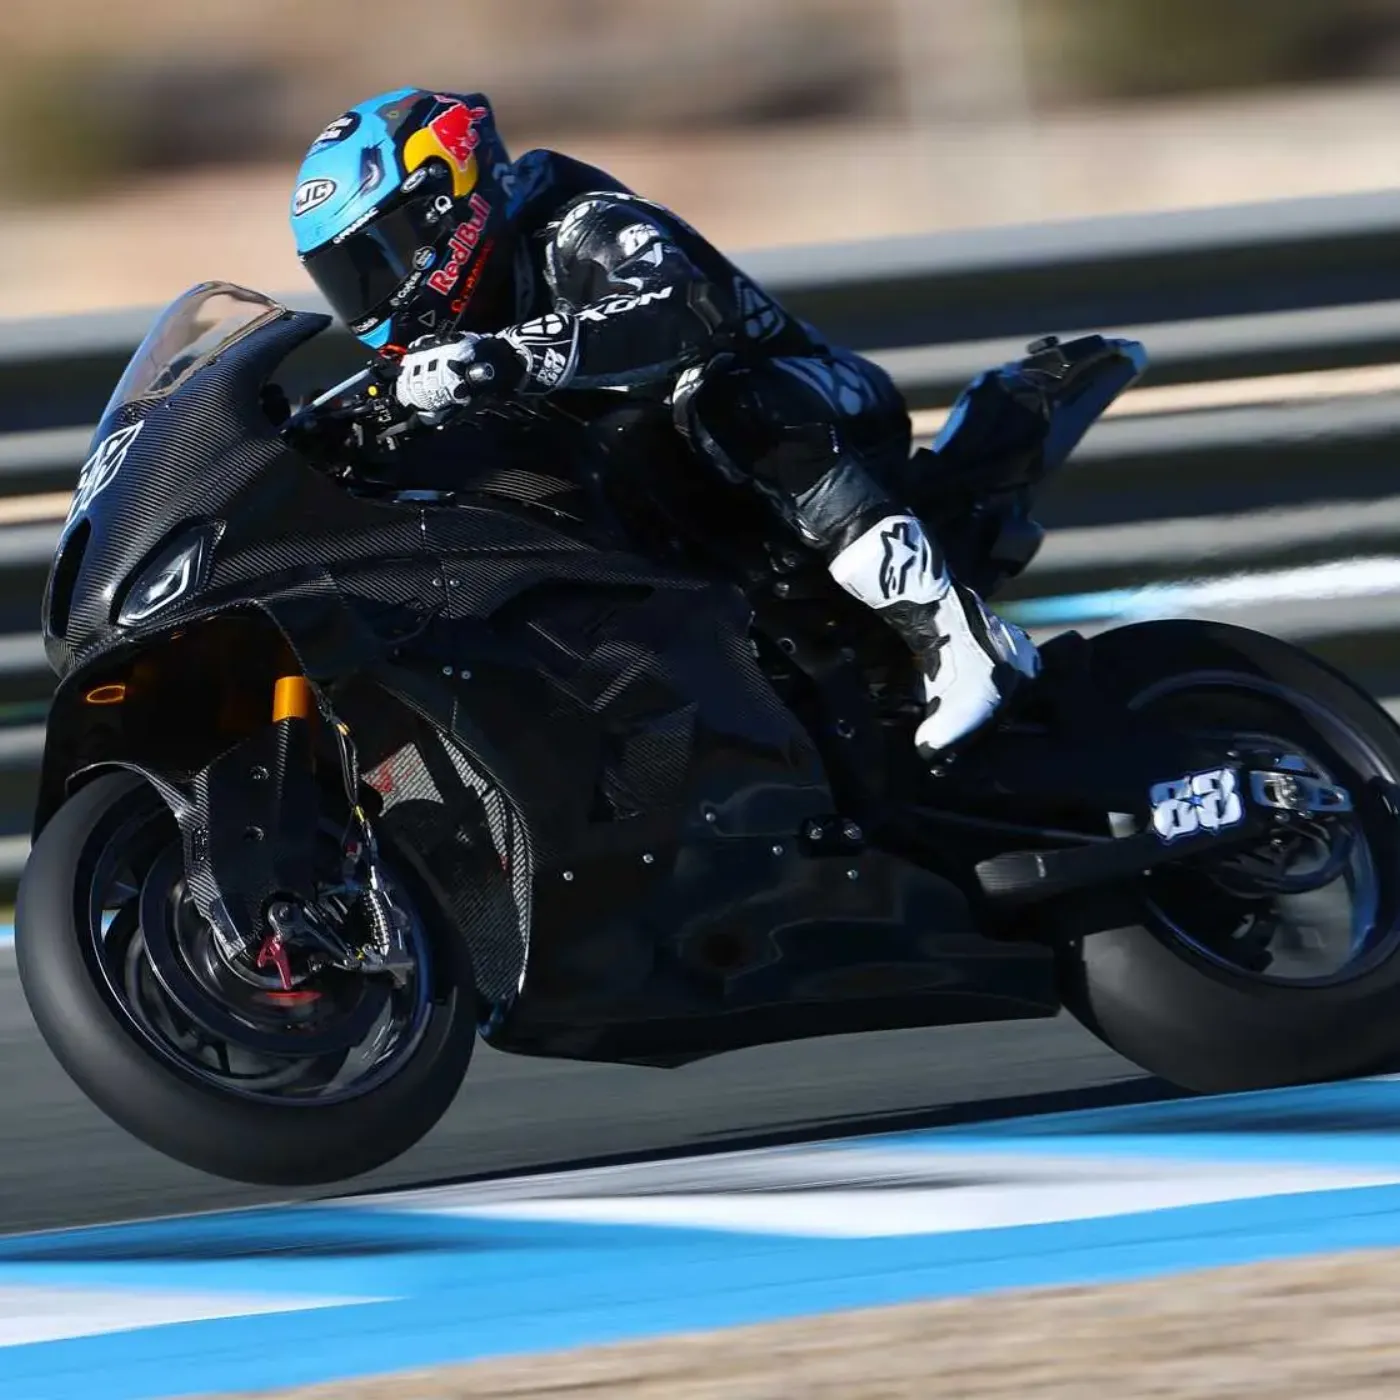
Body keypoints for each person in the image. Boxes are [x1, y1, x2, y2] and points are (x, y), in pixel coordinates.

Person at [290, 87, 1039, 758]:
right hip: (683, 500)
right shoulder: (447, 342)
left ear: (445, 208)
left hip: (818, 410)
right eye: (344, 278)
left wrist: (504, 359)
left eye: (377, 260)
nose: (370, 294)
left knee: (719, 398)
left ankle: (953, 631)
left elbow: (680, 314)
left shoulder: (580, 222)